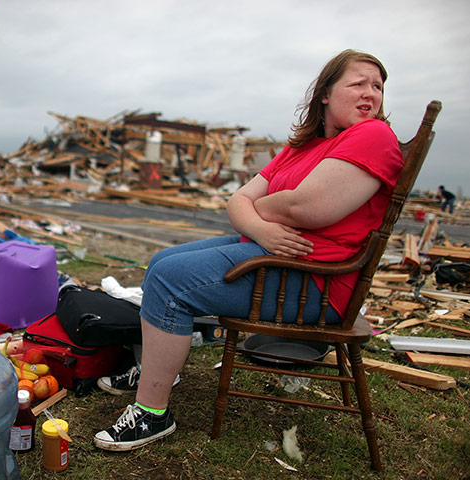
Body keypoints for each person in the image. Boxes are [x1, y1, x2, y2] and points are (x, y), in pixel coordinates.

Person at [93, 49, 403, 452]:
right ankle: (154, 371)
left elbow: (306, 208)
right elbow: (236, 201)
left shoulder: (372, 135)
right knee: (160, 262)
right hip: (276, 255)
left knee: (171, 282)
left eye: (377, 86)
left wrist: (263, 207)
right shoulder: (303, 147)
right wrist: (261, 225)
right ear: (325, 92)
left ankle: (152, 413)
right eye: (358, 83)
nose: (371, 94)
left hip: (317, 282)